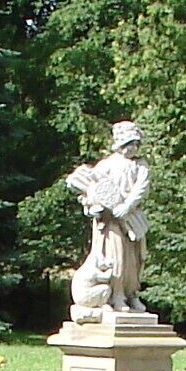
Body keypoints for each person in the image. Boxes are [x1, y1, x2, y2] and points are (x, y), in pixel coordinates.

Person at [65, 121, 151, 318]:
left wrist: (126, 206)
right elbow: (93, 188)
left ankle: (132, 293)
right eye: (130, 143)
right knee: (116, 258)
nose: (133, 148)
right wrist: (96, 204)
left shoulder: (141, 166)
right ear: (120, 144)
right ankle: (117, 295)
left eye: (136, 144)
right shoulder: (107, 165)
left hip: (133, 219)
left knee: (136, 259)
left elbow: (141, 189)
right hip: (110, 223)